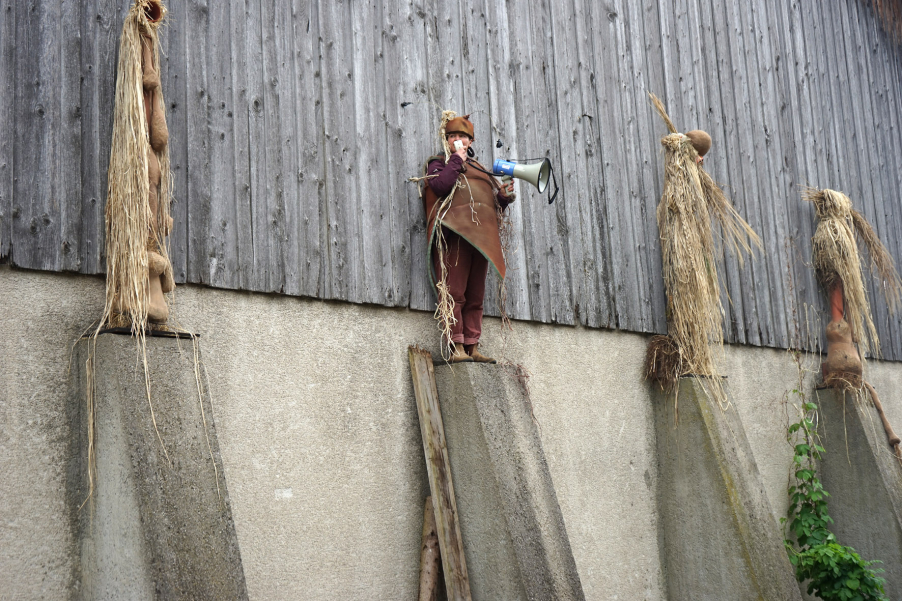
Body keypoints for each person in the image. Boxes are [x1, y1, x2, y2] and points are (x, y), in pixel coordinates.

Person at [422, 114, 515, 363]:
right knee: (454, 291)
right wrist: (455, 160)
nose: (458, 140)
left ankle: (473, 346)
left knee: (475, 294)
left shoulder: (480, 169)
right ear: (447, 140)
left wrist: (504, 197)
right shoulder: (439, 163)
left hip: (480, 239)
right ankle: (456, 346)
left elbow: (490, 207)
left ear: (470, 139)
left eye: (462, 136)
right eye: (453, 136)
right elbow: (440, 187)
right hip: (456, 234)